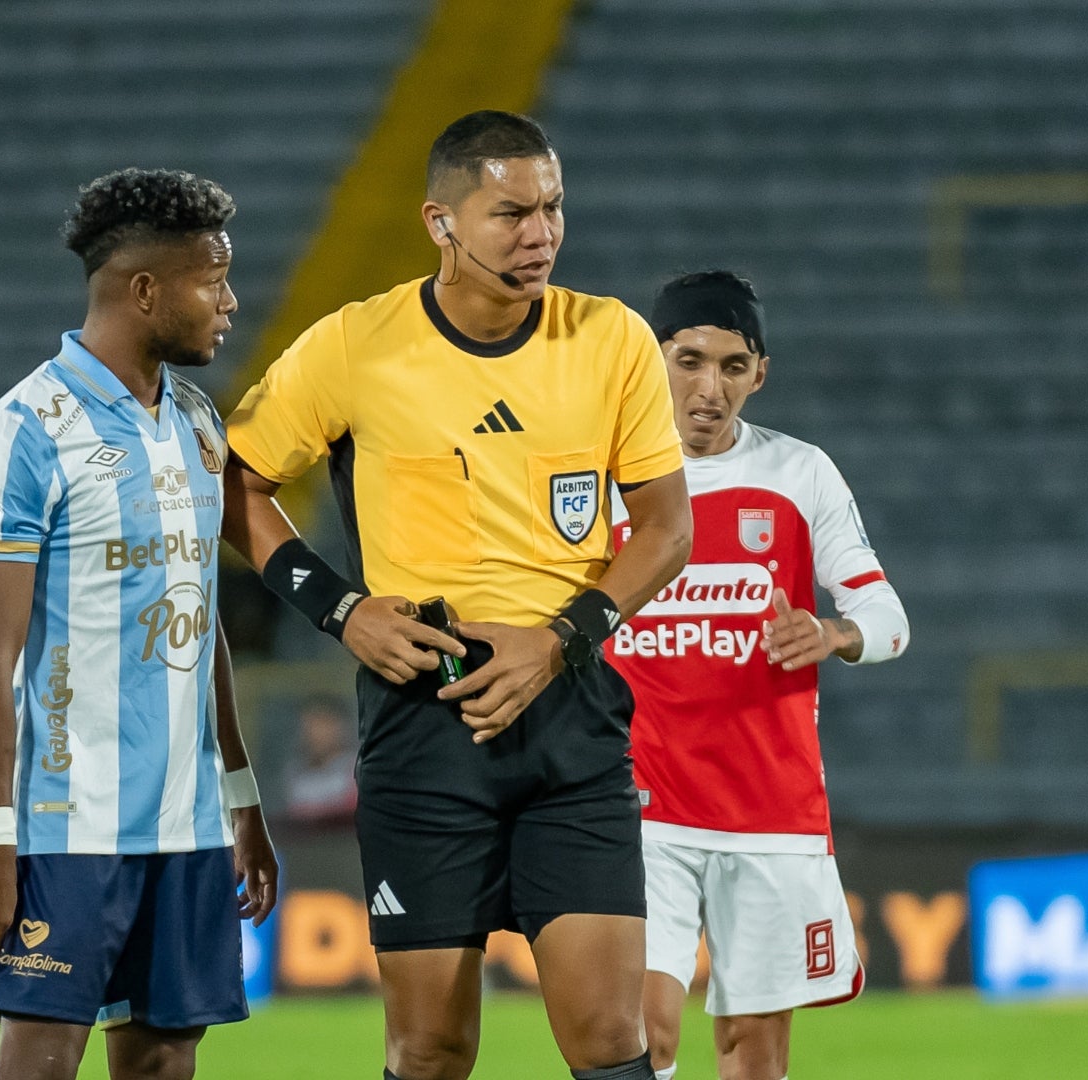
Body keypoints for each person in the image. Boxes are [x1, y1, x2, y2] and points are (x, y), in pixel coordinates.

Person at [223, 110, 693, 1080]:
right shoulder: (356, 346)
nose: (541, 234)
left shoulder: (612, 339)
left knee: (612, 1037)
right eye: (510, 213)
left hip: (569, 710)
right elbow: (234, 484)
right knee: (431, 1047)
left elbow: (667, 527)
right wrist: (341, 610)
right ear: (440, 223)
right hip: (421, 716)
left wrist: (561, 639)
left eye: (553, 207)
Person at [0, 168, 279, 1080]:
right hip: (67, 827)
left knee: (165, 1062)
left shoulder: (199, 424)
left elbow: (201, 627)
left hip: (190, 822)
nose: (230, 301)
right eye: (214, 279)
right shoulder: (25, 431)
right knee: (41, 1062)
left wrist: (240, 800)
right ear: (145, 290)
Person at [611, 271, 910, 1080]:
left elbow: (889, 619)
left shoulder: (800, 472)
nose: (710, 388)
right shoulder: (600, 477)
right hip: (641, 802)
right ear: (650, 359)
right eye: (689, 360)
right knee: (642, 1032)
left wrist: (832, 632)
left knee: (753, 1052)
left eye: (733, 366)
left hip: (768, 808)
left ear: (760, 372)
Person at [282, 696, 359, 827]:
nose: (314, 732)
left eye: (322, 724)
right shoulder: (295, 774)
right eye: (309, 724)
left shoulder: (357, 771)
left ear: (341, 727)